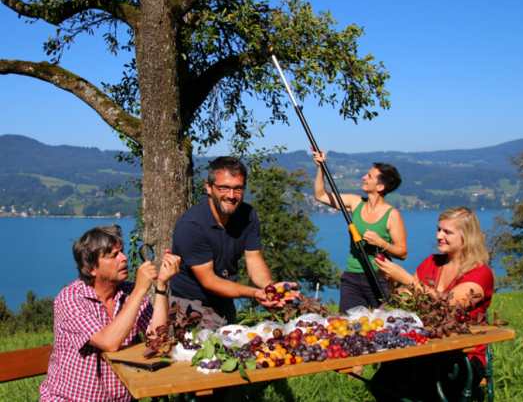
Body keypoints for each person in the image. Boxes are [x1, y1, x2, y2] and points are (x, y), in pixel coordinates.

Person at [39, 224, 181, 402]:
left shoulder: (128, 292)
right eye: (113, 255)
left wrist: (161, 286)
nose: (124, 258)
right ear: (90, 268)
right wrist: (139, 290)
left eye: (121, 251)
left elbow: (157, 338)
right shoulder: (71, 299)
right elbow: (109, 342)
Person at [370, 207, 494, 401]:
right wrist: (392, 281)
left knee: (420, 389)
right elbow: (403, 302)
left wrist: (407, 279)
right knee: (381, 383)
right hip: (427, 348)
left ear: (467, 236)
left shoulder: (480, 273)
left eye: (447, 232)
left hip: (461, 356)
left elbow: (448, 307)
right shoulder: (432, 262)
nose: (438, 236)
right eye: (438, 229)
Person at [169, 156, 299, 329]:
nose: (231, 196)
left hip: (225, 304)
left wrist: (270, 289)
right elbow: (209, 281)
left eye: (238, 189)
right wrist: (255, 293)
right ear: (209, 187)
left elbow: (254, 262)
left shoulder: (248, 216)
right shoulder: (191, 226)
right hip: (190, 308)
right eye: (224, 188)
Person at [312, 148, 407, 313]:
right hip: (352, 277)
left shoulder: (392, 215)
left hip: (380, 276)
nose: (364, 177)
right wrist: (321, 167)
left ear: (380, 186)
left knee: (383, 324)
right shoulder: (356, 203)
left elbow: (402, 253)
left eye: (369, 176)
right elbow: (320, 195)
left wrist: (382, 243)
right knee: (347, 325)